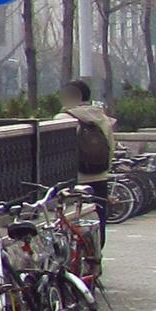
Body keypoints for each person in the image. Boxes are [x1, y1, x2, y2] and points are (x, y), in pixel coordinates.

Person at [56, 78, 115, 222]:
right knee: (98, 216)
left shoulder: (63, 118)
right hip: (100, 175)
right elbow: (110, 146)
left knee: (72, 219)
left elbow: (58, 151)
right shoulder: (102, 117)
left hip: (76, 177)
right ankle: (97, 243)